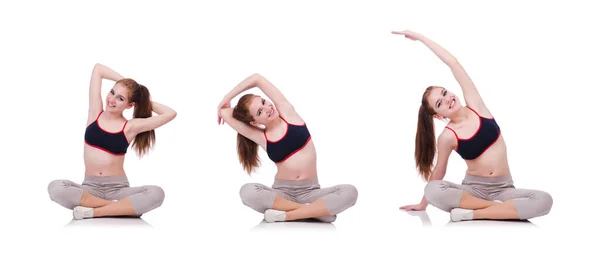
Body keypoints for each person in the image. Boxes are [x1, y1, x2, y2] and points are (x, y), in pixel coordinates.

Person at [394, 30, 553, 222]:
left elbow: (452, 62)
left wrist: (420, 38)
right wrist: (423, 204)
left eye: (444, 93)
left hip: (504, 189)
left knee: (544, 200)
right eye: (439, 103)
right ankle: (500, 210)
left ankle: (473, 213)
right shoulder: (447, 137)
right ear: (438, 115)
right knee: (433, 189)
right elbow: (439, 171)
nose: (447, 99)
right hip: (472, 190)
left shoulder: (476, 105)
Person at [217, 73, 358, 223]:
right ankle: (315, 212)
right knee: (247, 191)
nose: (267, 108)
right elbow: (225, 113)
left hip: (311, 192)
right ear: (254, 122)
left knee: (350, 192)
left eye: (264, 102)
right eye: (259, 112)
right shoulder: (261, 137)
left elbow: (257, 78)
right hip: (282, 193)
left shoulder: (288, 113)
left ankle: (287, 215)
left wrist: (227, 97)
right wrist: (232, 108)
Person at [47, 63, 177, 220]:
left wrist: (141, 97)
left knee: (156, 193)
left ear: (130, 105)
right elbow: (98, 69)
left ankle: (94, 211)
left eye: (120, 98)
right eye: (112, 92)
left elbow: (170, 113)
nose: (112, 100)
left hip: (118, 189)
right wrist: (126, 82)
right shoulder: (95, 113)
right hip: (90, 188)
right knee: (56, 188)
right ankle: (119, 208)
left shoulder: (130, 127)